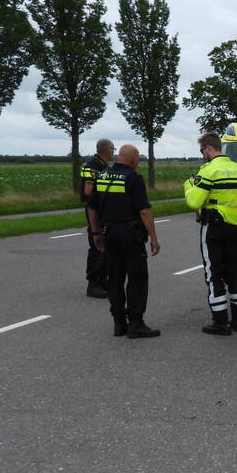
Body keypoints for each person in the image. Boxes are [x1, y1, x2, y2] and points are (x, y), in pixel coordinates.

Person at [87, 144, 161, 338]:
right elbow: (144, 210)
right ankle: (136, 323)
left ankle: (119, 323)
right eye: (137, 158)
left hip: (108, 232)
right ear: (133, 159)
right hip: (130, 233)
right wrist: (153, 236)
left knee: (115, 278)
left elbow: (92, 207)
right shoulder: (133, 178)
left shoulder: (102, 176)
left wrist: (96, 233)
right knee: (137, 277)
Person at [184, 132, 237, 335]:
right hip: (233, 229)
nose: (202, 154)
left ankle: (220, 322)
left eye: (202, 150)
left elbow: (194, 202)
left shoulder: (209, 171)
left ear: (207, 148)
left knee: (214, 273)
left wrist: (188, 185)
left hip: (213, 228)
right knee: (232, 272)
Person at [81, 138, 115, 298]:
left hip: (101, 210)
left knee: (105, 246)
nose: (113, 152)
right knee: (98, 246)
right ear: (108, 150)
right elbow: (88, 191)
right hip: (95, 211)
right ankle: (94, 284)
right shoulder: (94, 166)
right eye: (113, 149)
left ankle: (103, 280)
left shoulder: (101, 165)